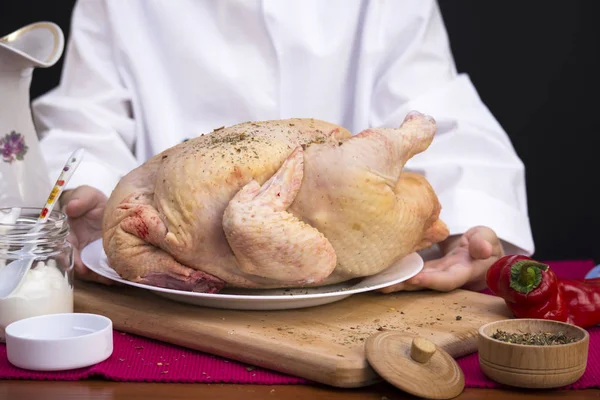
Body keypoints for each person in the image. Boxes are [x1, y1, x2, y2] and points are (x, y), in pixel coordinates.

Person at [32, 0, 535, 292]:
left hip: (349, 281)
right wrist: (91, 193)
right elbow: (87, 114)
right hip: (176, 279)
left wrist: (469, 219)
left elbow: (434, 109)